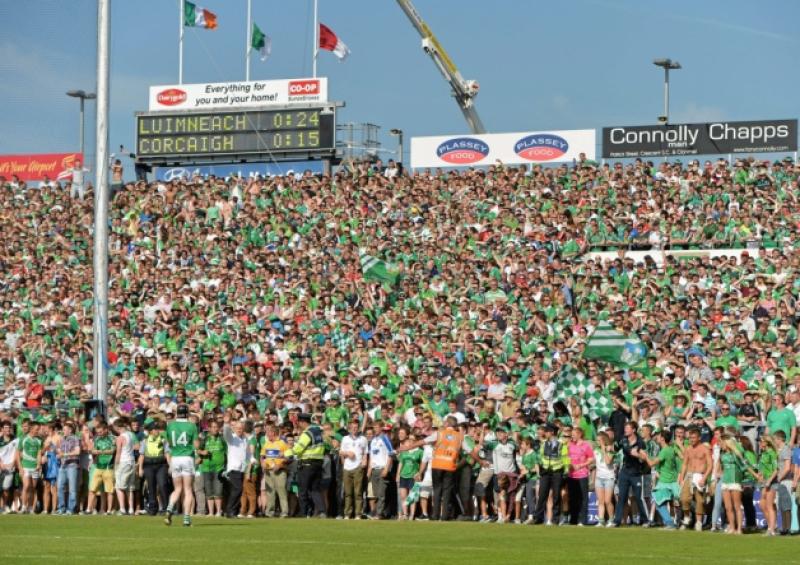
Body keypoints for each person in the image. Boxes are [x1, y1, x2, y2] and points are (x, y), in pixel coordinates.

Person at [284, 413, 326, 518]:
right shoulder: (317, 432)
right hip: (318, 463)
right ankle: (321, 511)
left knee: (303, 490)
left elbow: (298, 449)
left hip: (307, 464)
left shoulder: (307, 433)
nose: (298, 424)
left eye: (299, 422)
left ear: (303, 422)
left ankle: (305, 513)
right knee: (315, 489)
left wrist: (285, 453)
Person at [164, 404, 199, 527]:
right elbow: (196, 445)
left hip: (175, 458)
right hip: (187, 458)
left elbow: (168, 442)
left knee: (177, 489)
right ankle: (186, 519)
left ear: (177, 413)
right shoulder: (192, 425)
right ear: (187, 413)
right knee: (188, 490)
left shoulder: (170, 425)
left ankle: (169, 508)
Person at [609, 422, 649, 528]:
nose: (625, 430)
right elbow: (614, 448)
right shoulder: (623, 440)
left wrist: (638, 455)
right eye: (625, 427)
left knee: (639, 498)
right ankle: (616, 521)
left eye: (627, 428)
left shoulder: (640, 442)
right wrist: (608, 448)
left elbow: (645, 457)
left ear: (634, 430)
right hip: (624, 472)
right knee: (621, 497)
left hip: (636, 474)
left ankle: (645, 520)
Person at [642, 430, 680, 530]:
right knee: (671, 503)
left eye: (658, 436)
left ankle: (670, 523)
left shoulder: (664, 451)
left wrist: (645, 455)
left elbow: (651, 464)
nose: (657, 438)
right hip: (671, 481)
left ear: (662, 438)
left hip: (666, 482)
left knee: (659, 503)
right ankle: (675, 522)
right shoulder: (670, 449)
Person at [677, 426, 712, 531]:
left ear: (699, 438)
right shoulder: (688, 449)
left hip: (700, 476)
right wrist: (681, 477)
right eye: (690, 438)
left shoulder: (705, 449)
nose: (692, 440)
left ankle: (698, 522)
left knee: (699, 501)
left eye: (694, 438)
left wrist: (704, 478)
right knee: (684, 498)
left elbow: (710, 465)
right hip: (689, 475)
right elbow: (684, 464)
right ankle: (687, 518)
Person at [535, 423, 569, 525]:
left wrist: (566, 470)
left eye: (546, 431)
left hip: (557, 472)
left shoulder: (561, 444)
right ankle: (538, 518)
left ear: (552, 432)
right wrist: (540, 466)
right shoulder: (544, 443)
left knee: (556, 496)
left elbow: (565, 458)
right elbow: (540, 456)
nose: (544, 433)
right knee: (542, 495)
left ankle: (555, 519)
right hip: (545, 472)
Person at [222, 412, 251, 518]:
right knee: (238, 489)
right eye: (238, 428)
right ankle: (230, 510)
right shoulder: (232, 438)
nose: (239, 430)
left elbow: (247, 454)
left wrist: (251, 459)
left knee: (237, 490)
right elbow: (226, 433)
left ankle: (230, 511)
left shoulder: (244, 440)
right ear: (234, 429)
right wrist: (226, 424)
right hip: (233, 468)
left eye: (241, 428)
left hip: (241, 469)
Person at [138, 421, 168, 516]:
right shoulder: (145, 441)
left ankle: (166, 508)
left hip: (161, 465)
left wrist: (171, 466)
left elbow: (167, 453)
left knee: (162, 485)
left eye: (157, 429)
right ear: (150, 431)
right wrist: (140, 468)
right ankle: (152, 508)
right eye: (155, 429)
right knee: (151, 487)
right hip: (148, 465)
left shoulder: (163, 440)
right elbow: (141, 455)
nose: (157, 431)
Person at [339, 420, 367, 519]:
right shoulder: (345, 439)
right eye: (352, 428)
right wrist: (347, 454)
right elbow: (341, 452)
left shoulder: (363, 439)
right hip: (347, 467)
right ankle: (347, 513)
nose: (354, 429)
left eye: (356, 427)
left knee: (358, 492)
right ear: (349, 428)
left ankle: (358, 514)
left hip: (358, 467)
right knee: (348, 492)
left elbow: (365, 452)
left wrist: (364, 461)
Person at [198, 418, 226, 517]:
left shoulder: (222, 439)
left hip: (219, 468)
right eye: (213, 427)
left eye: (216, 427)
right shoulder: (205, 439)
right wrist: (203, 452)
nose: (215, 429)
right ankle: (210, 512)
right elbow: (198, 450)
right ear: (209, 428)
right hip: (206, 468)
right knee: (209, 491)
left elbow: (227, 452)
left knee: (218, 491)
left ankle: (218, 511)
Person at [566, 426, 594, 526]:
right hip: (571, 475)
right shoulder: (570, 445)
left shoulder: (586, 445)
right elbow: (566, 457)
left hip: (582, 475)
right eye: (571, 434)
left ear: (579, 434)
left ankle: (582, 520)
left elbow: (591, 458)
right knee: (572, 497)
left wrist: (581, 465)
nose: (572, 436)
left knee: (583, 498)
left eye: (573, 434)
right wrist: (568, 464)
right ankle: (573, 520)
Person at [86, 420, 115, 515]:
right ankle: (88, 509)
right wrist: (94, 451)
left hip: (108, 467)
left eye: (101, 432)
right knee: (92, 489)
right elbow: (93, 450)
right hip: (98, 467)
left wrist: (100, 452)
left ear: (106, 430)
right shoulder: (97, 439)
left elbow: (113, 450)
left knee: (109, 490)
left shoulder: (112, 438)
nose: (99, 434)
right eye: (98, 432)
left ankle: (109, 510)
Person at [367, 421, 394, 520]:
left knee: (381, 493)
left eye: (377, 427)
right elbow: (371, 456)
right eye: (374, 427)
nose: (375, 429)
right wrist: (369, 470)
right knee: (376, 493)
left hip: (382, 468)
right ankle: (378, 512)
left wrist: (386, 468)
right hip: (374, 469)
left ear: (381, 428)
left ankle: (379, 514)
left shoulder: (385, 438)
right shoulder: (373, 440)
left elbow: (391, 454)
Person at [261, 424, 289, 518]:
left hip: (280, 471)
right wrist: (263, 463)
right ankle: (269, 512)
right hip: (268, 471)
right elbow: (262, 456)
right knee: (270, 492)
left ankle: (284, 512)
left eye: (268, 431)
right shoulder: (267, 443)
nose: (267, 433)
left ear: (273, 432)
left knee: (281, 491)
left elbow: (288, 458)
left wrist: (279, 465)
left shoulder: (282, 443)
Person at [396, 430, 423, 520]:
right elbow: (401, 463)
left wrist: (419, 474)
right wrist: (398, 475)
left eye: (413, 440)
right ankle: (405, 514)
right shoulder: (404, 450)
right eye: (410, 439)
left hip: (413, 476)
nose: (411, 441)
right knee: (403, 496)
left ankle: (412, 515)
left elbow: (422, 464)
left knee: (412, 497)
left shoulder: (419, 451)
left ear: (416, 441)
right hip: (403, 475)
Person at [56, 420, 81, 515]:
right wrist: (58, 454)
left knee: (72, 489)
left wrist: (64, 454)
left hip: (72, 466)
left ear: (70, 430)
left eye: (65, 429)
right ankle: (61, 508)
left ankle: (71, 509)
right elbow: (59, 452)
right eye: (63, 429)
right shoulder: (62, 439)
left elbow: (78, 452)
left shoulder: (76, 438)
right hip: (63, 466)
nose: (63, 431)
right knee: (60, 487)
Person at [114, 417, 138, 515]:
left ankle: (123, 509)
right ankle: (131, 509)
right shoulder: (131, 435)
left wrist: (116, 464)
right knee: (130, 488)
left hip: (123, 462)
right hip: (131, 461)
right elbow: (136, 446)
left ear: (118, 427)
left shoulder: (120, 438)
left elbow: (118, 452)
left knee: (119, 487)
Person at [757, 435, 779, 536]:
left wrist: (769, 480)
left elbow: (776, 469)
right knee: (762, 504)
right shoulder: (763, 453)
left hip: (772, 481)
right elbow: (761, 467)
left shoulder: (772, 453)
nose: (759, 443)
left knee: (769, 505)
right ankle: (772, 526)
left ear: (767, 442)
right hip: (764, 482)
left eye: (761, 441)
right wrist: (760, 474)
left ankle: (771, 529)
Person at [592, 431, 616, 527]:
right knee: (600, 501)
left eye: (599, 440)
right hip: (599, 478)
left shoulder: (611, 450)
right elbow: (595, 464)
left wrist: (604, 450)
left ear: (604, 440)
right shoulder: (596, 450)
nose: (597, 442)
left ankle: (611, 520)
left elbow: (608, 461)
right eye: (596, 440)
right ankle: (601, 520)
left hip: (609, 477)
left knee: (607, 501)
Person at [0, 420, 18, 513]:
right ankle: (2, 507)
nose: (8, 429)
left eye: (9, 427)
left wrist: (13, 463)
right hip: (1, 467)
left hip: (10, 468)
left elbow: (17, 453)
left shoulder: (15, 439)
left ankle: (5, 506)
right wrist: (1, 464)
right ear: (2, 429)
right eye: (5, 428)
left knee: (6, 488)